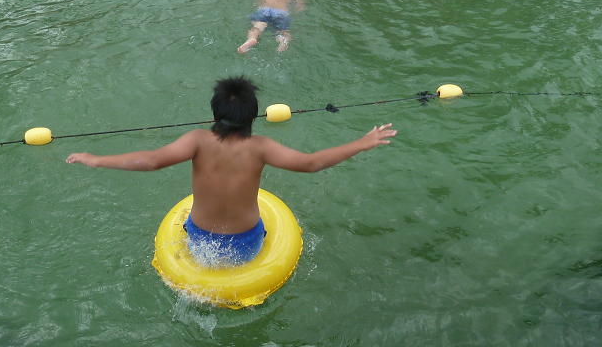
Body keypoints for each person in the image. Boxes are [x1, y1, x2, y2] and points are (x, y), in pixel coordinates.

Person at [66, 77, 396, 266]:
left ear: (215, 113)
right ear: (253, 116)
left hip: (200, 240)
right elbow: (311, 163)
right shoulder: (261, 147)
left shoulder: (196, 140)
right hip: (246, 244)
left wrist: (96, 159)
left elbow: (151, 160)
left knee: (191, 230)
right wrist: (362, 143)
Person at [238, 0, 305, 53]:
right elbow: (300, 7)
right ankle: (282, 42)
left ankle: (252, 38)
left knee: (258, 26)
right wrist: (295, 11)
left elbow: (256, 3)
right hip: (280, 13)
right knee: (283, 32)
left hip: (264, 11)